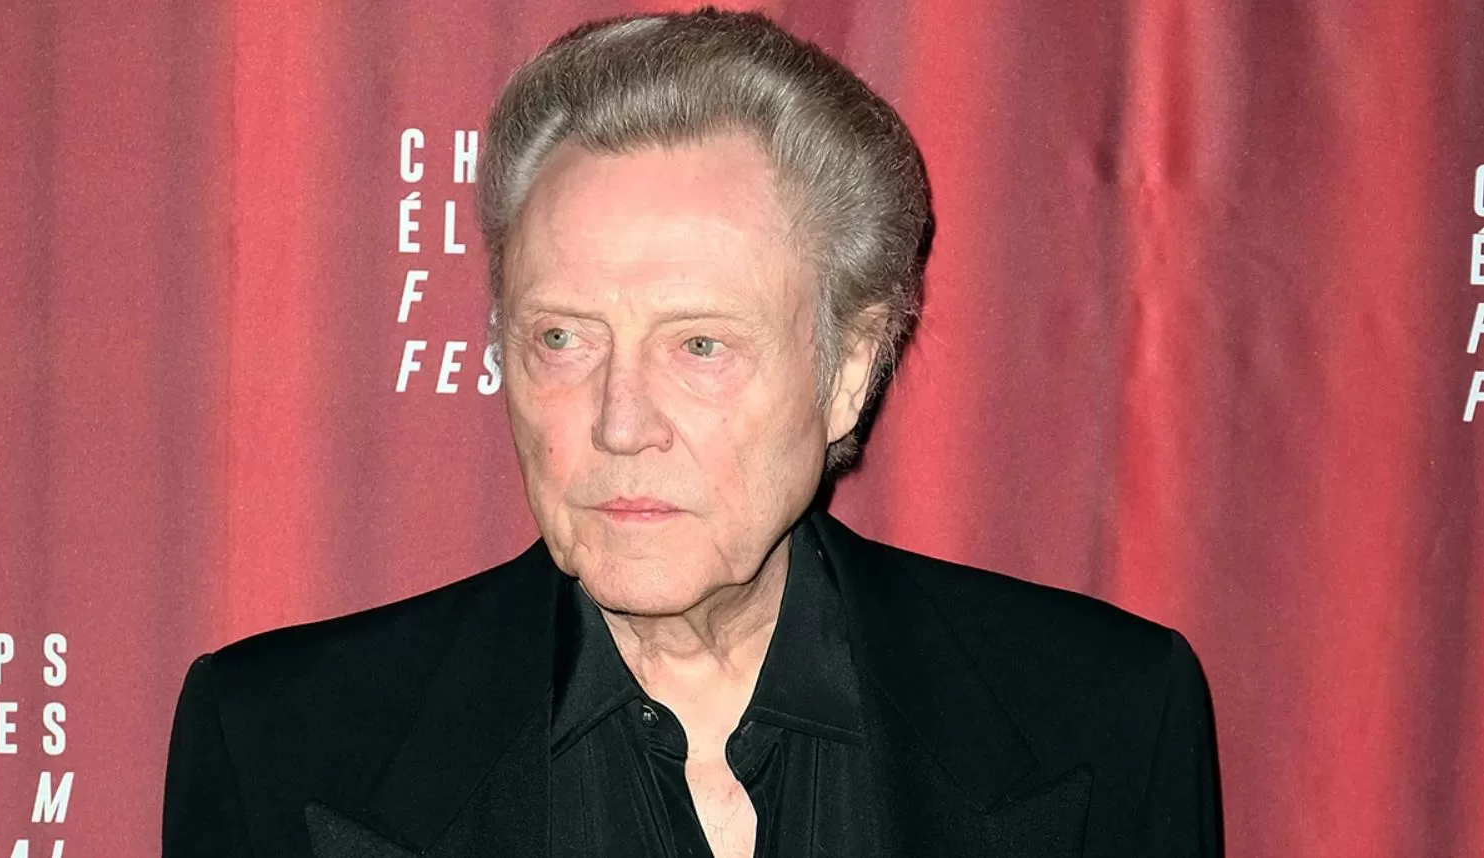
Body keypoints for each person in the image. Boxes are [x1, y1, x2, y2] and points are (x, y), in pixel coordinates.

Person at [163, 9, 1221, 858]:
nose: (620, 423)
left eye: (700, 346)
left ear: (848, 371)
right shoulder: (278, 746)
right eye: (562, 339)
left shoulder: (1106, 717)